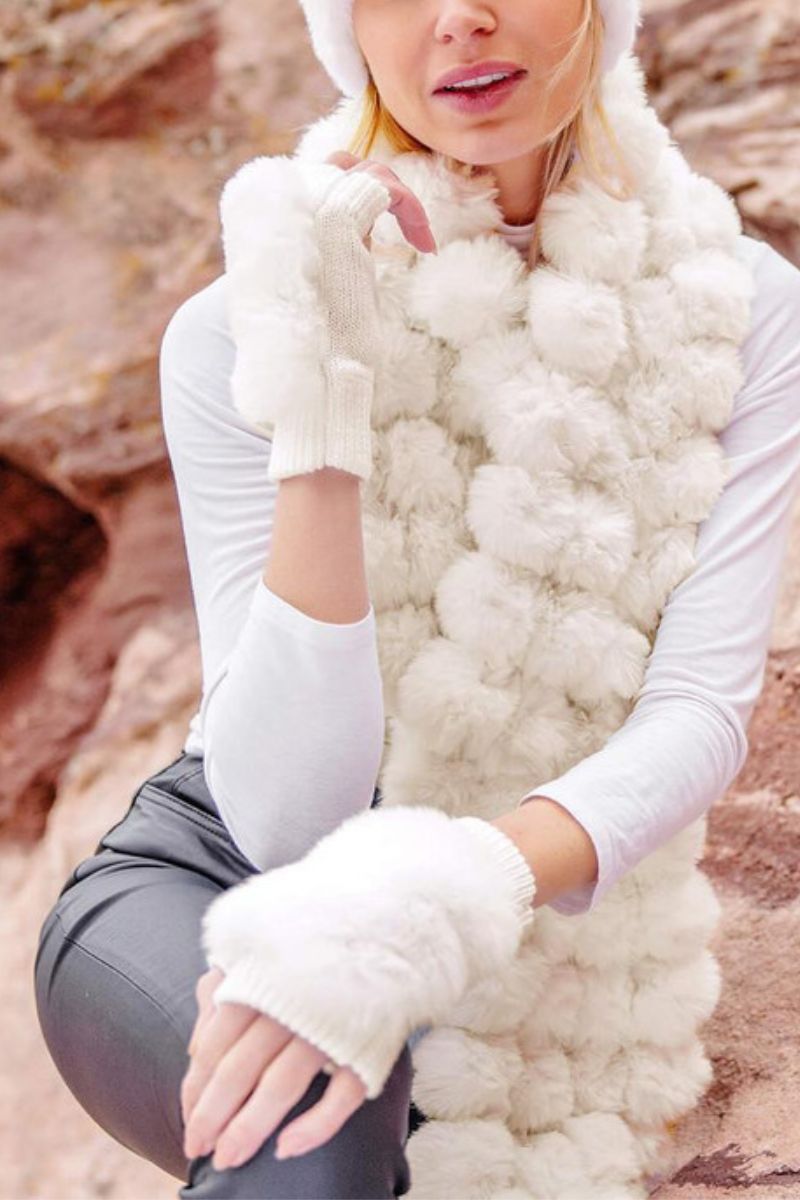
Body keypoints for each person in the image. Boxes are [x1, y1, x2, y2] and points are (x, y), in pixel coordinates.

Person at [33, 0, 800, 1195]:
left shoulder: (738, 306)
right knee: (311, 1113)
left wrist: (442, 898)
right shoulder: (240, 319)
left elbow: (694, 712)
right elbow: (286, 819)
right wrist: (320, 405)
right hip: (208, 874)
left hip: (514, 907)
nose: (458, 20)